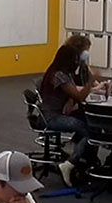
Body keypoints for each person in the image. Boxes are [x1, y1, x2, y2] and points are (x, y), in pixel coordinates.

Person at [38, 45, 106, 187]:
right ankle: (70, 163)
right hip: (51, 118)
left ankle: (81, 156)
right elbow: (80, 96)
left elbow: (72, 94)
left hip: (57, 113)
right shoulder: (59, 75)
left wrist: (71, 99)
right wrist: (90, 80)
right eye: (75, 60)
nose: (76, 63)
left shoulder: (63, 73)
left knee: (91, 123)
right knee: (90, 132)